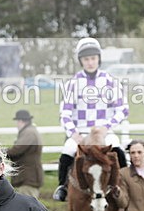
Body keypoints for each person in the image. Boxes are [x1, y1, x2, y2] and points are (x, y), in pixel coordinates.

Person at [53, 37, 129, 201]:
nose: (90, 62)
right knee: (67, 151)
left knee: (117, 151)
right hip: (80, 132)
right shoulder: (72, 83)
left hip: (104, 131)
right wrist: (73, 133)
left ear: (98, 59)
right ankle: (62, 187)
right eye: (86, 59)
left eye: (93, 58)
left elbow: (123, 109)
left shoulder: (110, 81)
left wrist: (107, 127)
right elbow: (65, 113)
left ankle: (126, 185)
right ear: (81, 61)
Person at [6, 109, 43, 199]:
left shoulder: (28, 133)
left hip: (27, 178)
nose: (17, 125)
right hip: (28, 176)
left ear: (21, 121)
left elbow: (17, 150)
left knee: (27, 208)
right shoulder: (31, 131)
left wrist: (1, 152)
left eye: (17, 121)